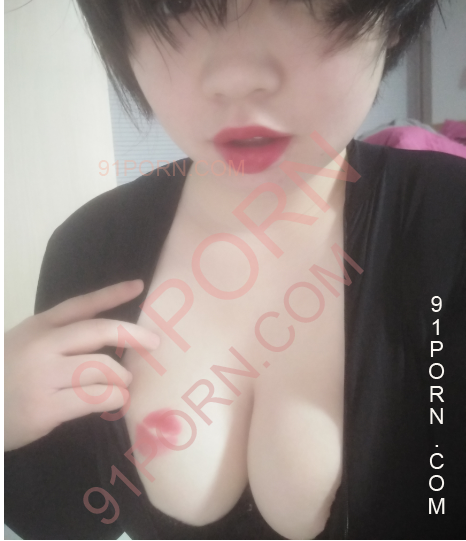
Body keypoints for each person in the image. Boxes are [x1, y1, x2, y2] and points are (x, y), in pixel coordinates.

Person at [4, 0, 466, 539]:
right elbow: (66, 519)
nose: (235, 76)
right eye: (173, 5)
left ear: (391, 19)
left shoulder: (449, 223)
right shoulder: (88, 246)